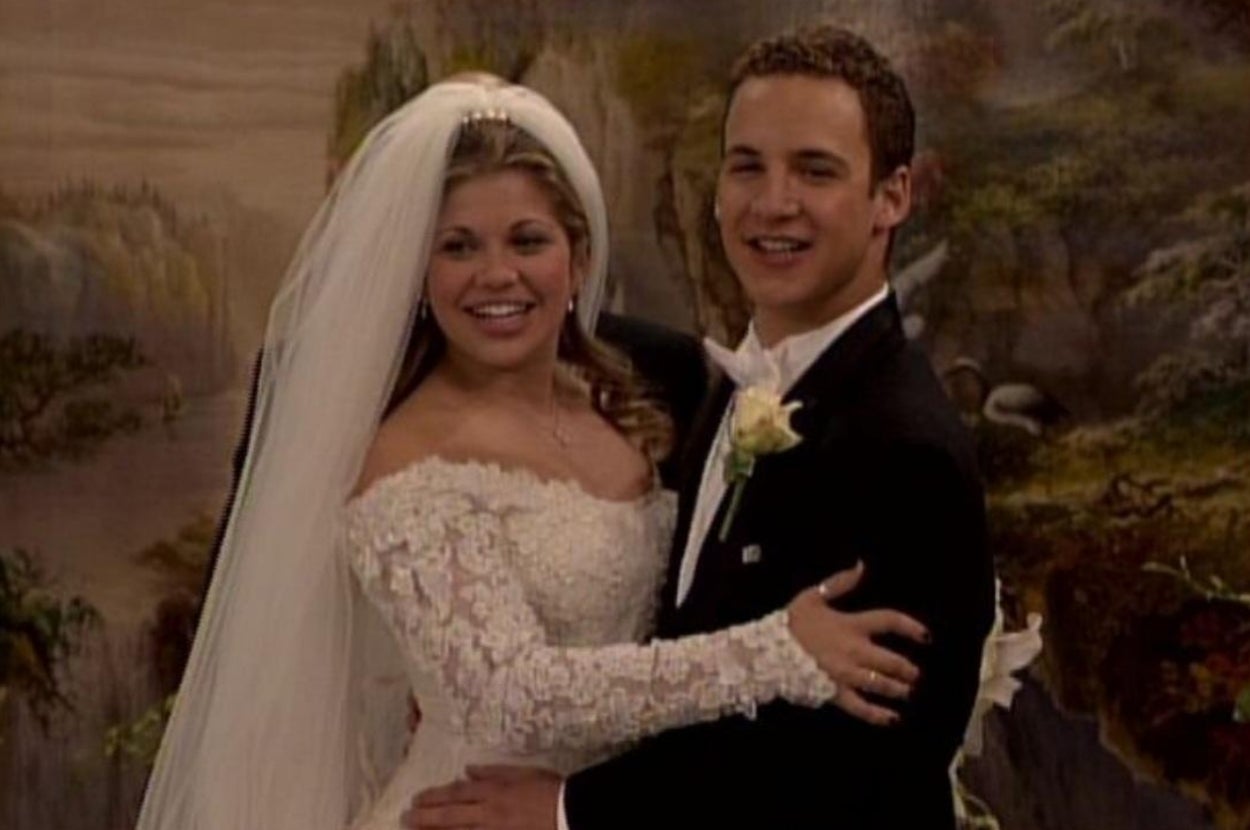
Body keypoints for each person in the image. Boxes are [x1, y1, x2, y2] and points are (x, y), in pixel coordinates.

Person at [135, 76, 928, 830]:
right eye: (457, 247)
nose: (496, 275)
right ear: (418, 272)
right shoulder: (405, 461)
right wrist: (775, 653)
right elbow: (509, 696)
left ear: (577, 260)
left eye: (526, 240)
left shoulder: (643, 388)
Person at [409, 26, 997, 830]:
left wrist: (569, 808)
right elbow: (522, 312)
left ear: (892, 196)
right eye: (747, 165)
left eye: (815, 171)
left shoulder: (905, 448)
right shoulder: (704, 378)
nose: (771, 202)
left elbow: (852, 774)